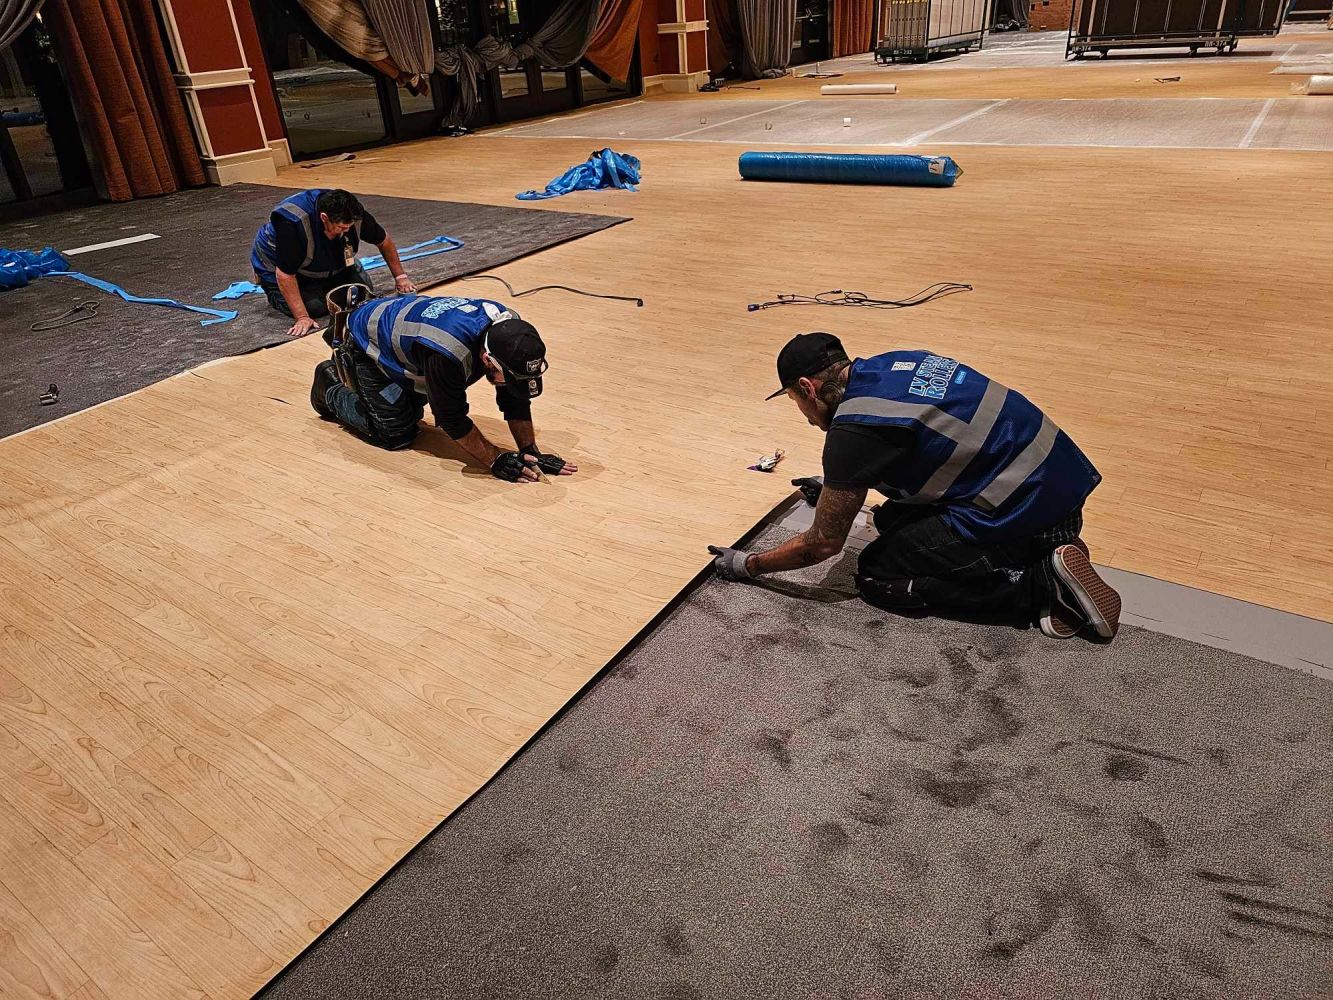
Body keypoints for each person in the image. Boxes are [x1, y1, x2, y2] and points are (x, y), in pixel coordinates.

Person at [708, 333, 1121, 640]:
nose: (803, 414)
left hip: (1027, 514)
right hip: (1059, 490)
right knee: (890, 519)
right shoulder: (899, 363)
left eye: (795, 401)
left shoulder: (852, 432)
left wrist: (748, 564)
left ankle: (1037, 585)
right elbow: (921, 450)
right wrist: (834, 488)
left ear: (806, 387)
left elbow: (822, 545)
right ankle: (1054, 555)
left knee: (877, 573)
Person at [310, 284, 578, 483]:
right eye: (507, 378)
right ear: (487, 359)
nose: (509, 385)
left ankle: (393, 395)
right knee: (394, 434)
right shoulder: (447, 352)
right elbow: (451, 419)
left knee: (416, 406)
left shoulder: (510, 332)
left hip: (408, 343)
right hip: (364, 342)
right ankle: (329, 385)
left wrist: (530, 450)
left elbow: (513, 397)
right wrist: (495, 459)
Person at [251, 188, 417, 338]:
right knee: (315, 308)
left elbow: (384, 241)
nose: (347, 230)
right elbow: (285, 275)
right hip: (283, 270)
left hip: (323, 263)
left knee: (361, 293)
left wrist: (401, 277)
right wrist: (302, 317)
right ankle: (272, 290)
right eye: (341, 227)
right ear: (324, 218)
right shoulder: (292, 224)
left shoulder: (353, 213)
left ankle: (330, 276)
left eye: (349, 227)